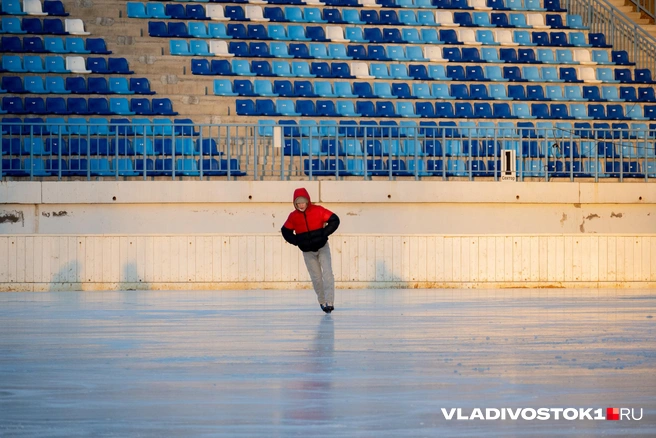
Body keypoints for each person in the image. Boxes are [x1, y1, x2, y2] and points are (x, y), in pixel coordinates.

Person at [281, 188, 340, 314]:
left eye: (303, 202)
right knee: (317, 278)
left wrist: (324, 234)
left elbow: (335, 220)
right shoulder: (293, 217)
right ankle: (322, 301)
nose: (301, 205)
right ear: (295, 204)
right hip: (308, 252)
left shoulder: (318, 211)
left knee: (328, 273)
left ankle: (330, 302)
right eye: (298, 203)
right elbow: (285, 231)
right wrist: (297, 241)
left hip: (322, 247)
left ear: (308, 201)